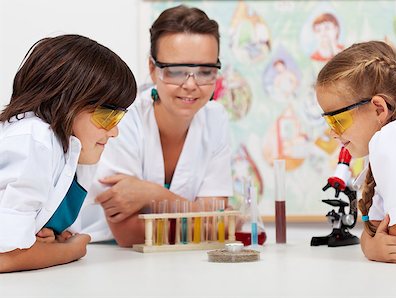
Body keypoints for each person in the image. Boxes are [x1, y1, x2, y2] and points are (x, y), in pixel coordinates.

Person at [76, 5, 233, 247]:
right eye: (176, 71)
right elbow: (129, 234)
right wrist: (199, 216)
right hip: (104, 256)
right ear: (152, 68)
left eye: (205, 71)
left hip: (181, 262)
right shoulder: (123, 120)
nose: (191, 85)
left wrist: (153, 194)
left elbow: (217, 227)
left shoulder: (216, 118)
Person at [0, 34, 137, 272]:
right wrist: (72, 250)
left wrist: (44, 239)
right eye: (108, 116)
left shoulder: (72, 150)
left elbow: (41, 236)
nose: (114, 131)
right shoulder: (35, 138)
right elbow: (5, 256)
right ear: (66, 101)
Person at [315, 40, 396, 263]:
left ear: (379, 108)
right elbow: (379, 231)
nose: (332, 132)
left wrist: (370, 248)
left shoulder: (394, 139)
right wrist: (371, 241)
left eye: (337, 120)